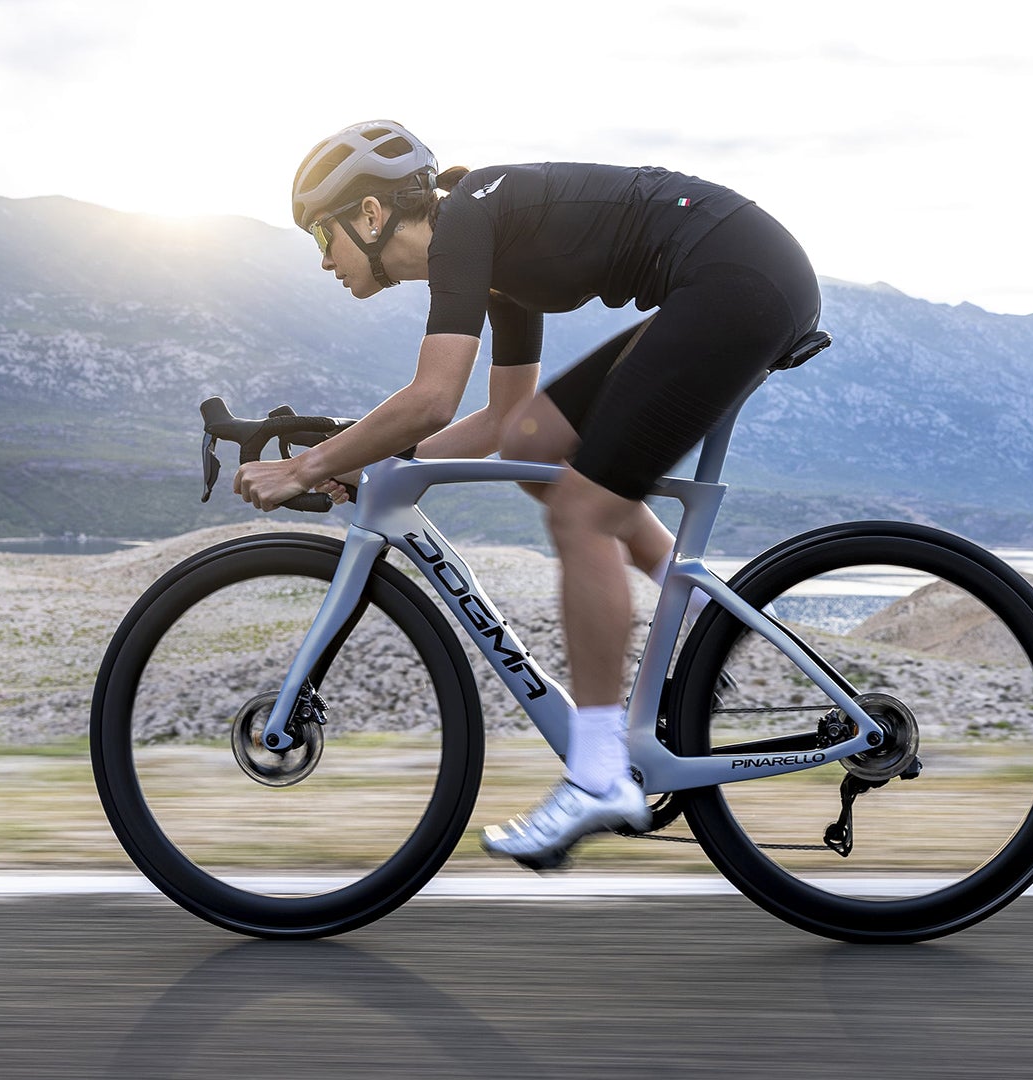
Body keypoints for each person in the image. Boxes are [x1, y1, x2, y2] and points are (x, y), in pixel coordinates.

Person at [234, 120, 821, 867]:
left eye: (323, 238)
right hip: (735, 271)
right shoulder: (484, 243)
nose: (324, 262)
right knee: (537, 444)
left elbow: (431, 399)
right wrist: (365, 466)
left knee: (583, 511)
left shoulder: (469, 221)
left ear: (372, 215)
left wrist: (308, 466)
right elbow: (503, 418)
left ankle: (600, 773)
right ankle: (710, 622)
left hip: (740, 277)